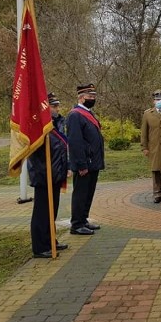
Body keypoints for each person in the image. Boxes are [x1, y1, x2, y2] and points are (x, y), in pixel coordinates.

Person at [28, 93, 68, 258]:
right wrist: (47, 173)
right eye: (54, 106)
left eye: (57, 105)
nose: (57, 109)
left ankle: (51, 240)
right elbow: (36, 155)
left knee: (52, 211)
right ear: (45, 107)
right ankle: (40, 246)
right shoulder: (39, 127)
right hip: (44, 176)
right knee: (42, 212)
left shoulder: (55, 125)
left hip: (55, 175)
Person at [67, 83, 104, 235]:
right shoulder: (75, 115)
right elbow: (75, 142)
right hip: (85, 163)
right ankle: (76, 224)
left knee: (88, 193)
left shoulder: (88, 113)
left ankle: (83, 219)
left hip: (93, 162)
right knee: (80, 194)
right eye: (90, 96)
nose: (93, 98)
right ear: (81, 98)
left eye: (94, 96)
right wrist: (81, 164)